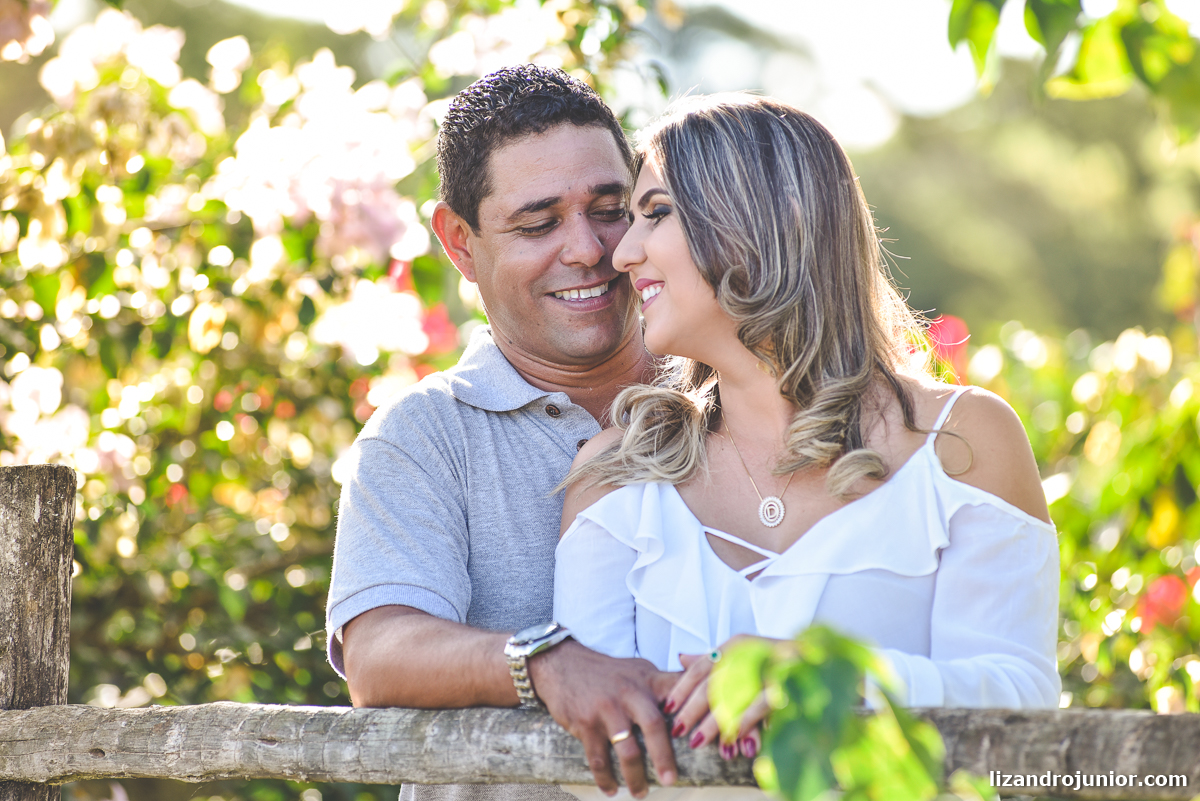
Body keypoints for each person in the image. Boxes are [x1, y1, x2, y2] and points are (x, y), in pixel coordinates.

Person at [553, 94, 1061, 797]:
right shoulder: (612, 478)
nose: (621, 251)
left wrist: (825, 678)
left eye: (657, 212)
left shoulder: (963, 443)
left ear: (757, 224)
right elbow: (585, 758)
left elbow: (1022, 698)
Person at [325, 65, 683, 801]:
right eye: (538, 222)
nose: (588, 249)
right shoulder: (422, 436)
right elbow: (379, 651)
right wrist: (546, 662)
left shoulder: (730, 393)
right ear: (459, 242)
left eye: (611, 208)